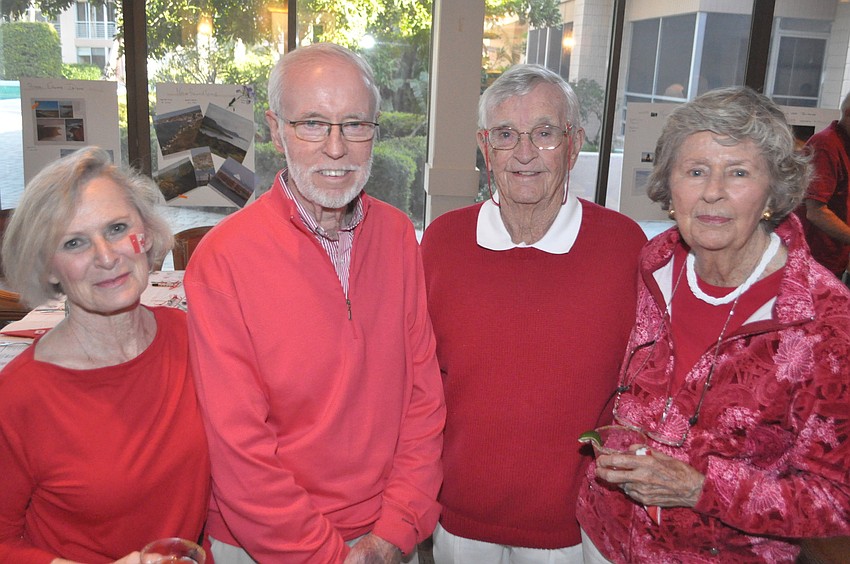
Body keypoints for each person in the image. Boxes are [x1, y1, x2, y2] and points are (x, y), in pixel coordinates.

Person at [184, 43, 445, 564]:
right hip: (265, 543)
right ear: (276, 130)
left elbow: (423, 401)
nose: (336, 148)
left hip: (385, 536)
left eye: (355, 125)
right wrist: (324, 556)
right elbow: (239, 449)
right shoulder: (223, 261)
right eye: (312, 124)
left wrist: (395, 531)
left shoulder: (397, 236)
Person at [577, 87, 850, 562]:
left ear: (774, 190)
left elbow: (836, 502)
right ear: (670, 186)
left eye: (739, 172)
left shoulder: (825, 323)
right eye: (696, 171)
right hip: (602, 536)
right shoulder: (656, 262)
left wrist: (701, 488)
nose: (712, 192)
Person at [419, 64, 646, 563]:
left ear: (574, 141)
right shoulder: (442, 242)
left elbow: (648, 384)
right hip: (460, 516)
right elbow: (416, 383)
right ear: (485, 147)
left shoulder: (625, 246)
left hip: (579, 525)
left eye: (544, 133)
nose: (524, 154)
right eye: (505, 135)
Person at [0, 147, 211, 563]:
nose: (107, 256)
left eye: (117, 228)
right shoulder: (19, 399)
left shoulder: (191, 339)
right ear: (48, 268)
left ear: (146, 235)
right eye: (75, 242)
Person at [799, 92, 850, 279]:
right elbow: (815, 212)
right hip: (814, 259)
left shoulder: (843, 144)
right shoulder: (826, 145)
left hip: (831, 258)